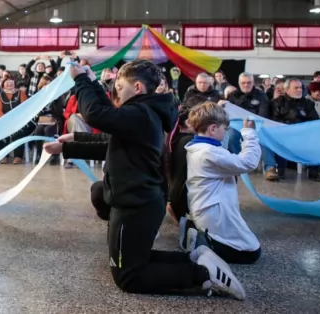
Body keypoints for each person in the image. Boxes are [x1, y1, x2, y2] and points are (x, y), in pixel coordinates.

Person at [44, 60, 246, 300]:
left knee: (128, 277)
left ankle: (201, 274)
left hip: (136, 205)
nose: (116, 91)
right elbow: (110, 140)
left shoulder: (140, 113)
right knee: (133, 259)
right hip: (140, 201)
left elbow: (96, 114)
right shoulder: (145, 111)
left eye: (120, 86)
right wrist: (68, 146)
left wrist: (80, 80)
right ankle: (194, 258)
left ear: (137, 87)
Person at [181, 102, 262, 264]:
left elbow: (222, 151)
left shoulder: (199, 147)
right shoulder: (209, 153)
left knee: (249, 247)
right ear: (212, 129)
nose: (226, 133)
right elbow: (248, 162)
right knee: (251, 252)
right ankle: (202, 243)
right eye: (225, 129)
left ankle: (199, 233)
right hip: (214, 213)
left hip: (208, 209)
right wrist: (249, 133)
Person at [166, 106, 194, 224]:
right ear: (187, 123)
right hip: (182, 195)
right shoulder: (189, 141)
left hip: (174, 193)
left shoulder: (173, 139)